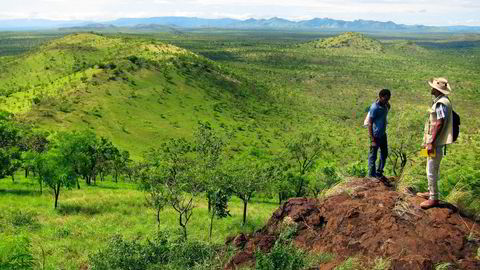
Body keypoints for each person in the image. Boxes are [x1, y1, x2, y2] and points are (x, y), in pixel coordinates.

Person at [418, 78, 454, 209]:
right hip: (436, 142)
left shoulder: (440, 104)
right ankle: (430, 191)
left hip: (435, 143)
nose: (431, 89)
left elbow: (439, 123)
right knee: (431, 167)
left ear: (437, 90)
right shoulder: (444, 101)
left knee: (431, 170)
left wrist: (431, 142)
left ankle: (433, 198)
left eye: (433, 87)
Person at [367, 89, 391, 185]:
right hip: (376, 136)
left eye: (388, 99)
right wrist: (372, 139)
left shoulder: (386, 105)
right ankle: (371, 176)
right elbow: (369, 123)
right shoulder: (374, 108)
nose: (387, 101)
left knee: (384, 154)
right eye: (385, 99)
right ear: (380, 97)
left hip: (383, 134)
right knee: (373, 156)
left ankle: (379, 172)